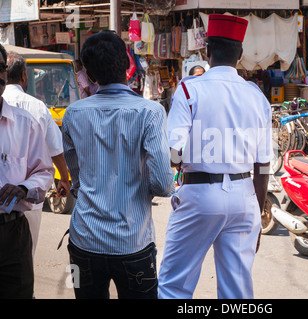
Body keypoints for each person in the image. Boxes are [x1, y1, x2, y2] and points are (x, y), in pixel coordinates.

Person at [159, 14, 273, 299]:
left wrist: (177, 161)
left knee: (174, 286)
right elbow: (263, 166)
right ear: (241, 55)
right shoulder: (257, 96)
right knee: (237, 292)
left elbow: (174, 150)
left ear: (207, 51)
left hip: (200, 194)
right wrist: (257, 215)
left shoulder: (189, 89)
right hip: (245, 198)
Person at [62, 31, 174, 299]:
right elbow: (162, 184)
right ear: (127, 63)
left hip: (83, 241)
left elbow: (76, 179)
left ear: (89, 75)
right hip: (133, 243)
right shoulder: (150, 112)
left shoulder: (73, 114)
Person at [3, 52, 70, 260]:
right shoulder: (38, 107)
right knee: (26, 257)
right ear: (24, 76)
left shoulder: (27, 115)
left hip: (24, 203)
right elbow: (55, 149)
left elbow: (48, 160)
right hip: (30, 205)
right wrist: (65, 179)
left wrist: (24, 188)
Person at [0, 43, 54, 299]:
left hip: (11, 233)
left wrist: (23, 187)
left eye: (0, 69)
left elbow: (44, 171)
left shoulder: (25, 123)